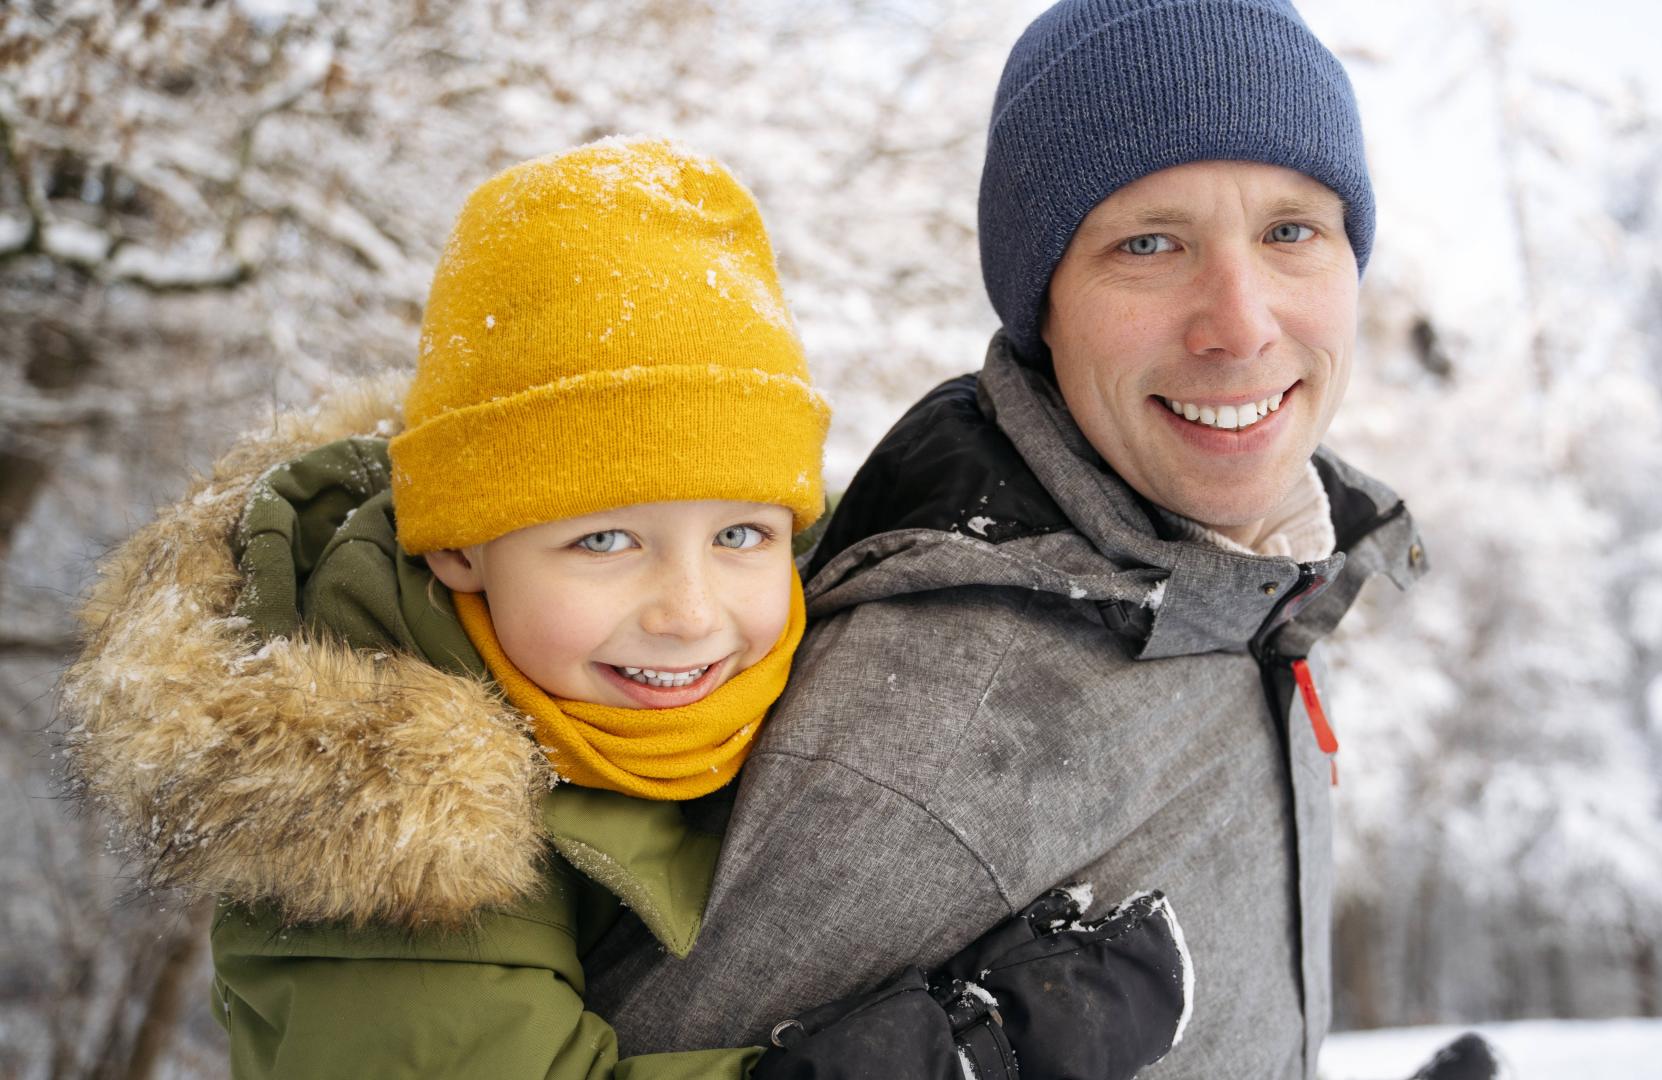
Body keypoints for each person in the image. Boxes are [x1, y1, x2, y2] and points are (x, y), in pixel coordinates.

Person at [58, 138, 1189, 1078]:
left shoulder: (687, 655)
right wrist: (971, 1057)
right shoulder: (378, 831)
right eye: (605, 540)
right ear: (459, 545)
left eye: (741, 533)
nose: (691, 612)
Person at [580, 2, 1432, 1078]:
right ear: (1044, 305)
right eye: (1150, 244)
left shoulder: (1252, 583)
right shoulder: (947, 713)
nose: (1243, 323)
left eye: (1290, 231)